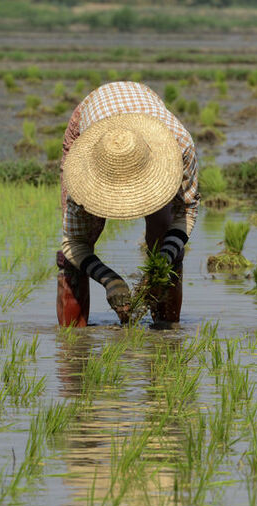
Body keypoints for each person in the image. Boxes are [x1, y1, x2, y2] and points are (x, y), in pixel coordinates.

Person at [57, 81, 199, 327]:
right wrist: (109, 279)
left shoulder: (180, 146)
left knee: (165, 240)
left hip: (146, 115)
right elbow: (73, 242)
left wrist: (162, 263)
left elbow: (186, 210)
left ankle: (165, 334)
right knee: (73, 259)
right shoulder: (80, 170)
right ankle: (73, 347)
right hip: (91, 115)